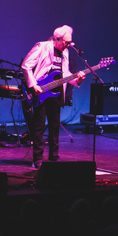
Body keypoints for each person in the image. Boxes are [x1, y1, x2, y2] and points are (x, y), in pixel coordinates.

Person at [22, 25, 84, 168]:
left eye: (69, 43)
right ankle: (38, 158)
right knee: (39, 126)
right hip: (41, 91)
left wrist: (78, 79)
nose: (68, 45)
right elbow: (26, 65)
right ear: (57, 39)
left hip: (56, 93)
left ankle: (54, 157)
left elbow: (66, 74)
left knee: (55, 126)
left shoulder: (66, 52)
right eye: (66, 42)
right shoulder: (42, 47)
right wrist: (33, 85)